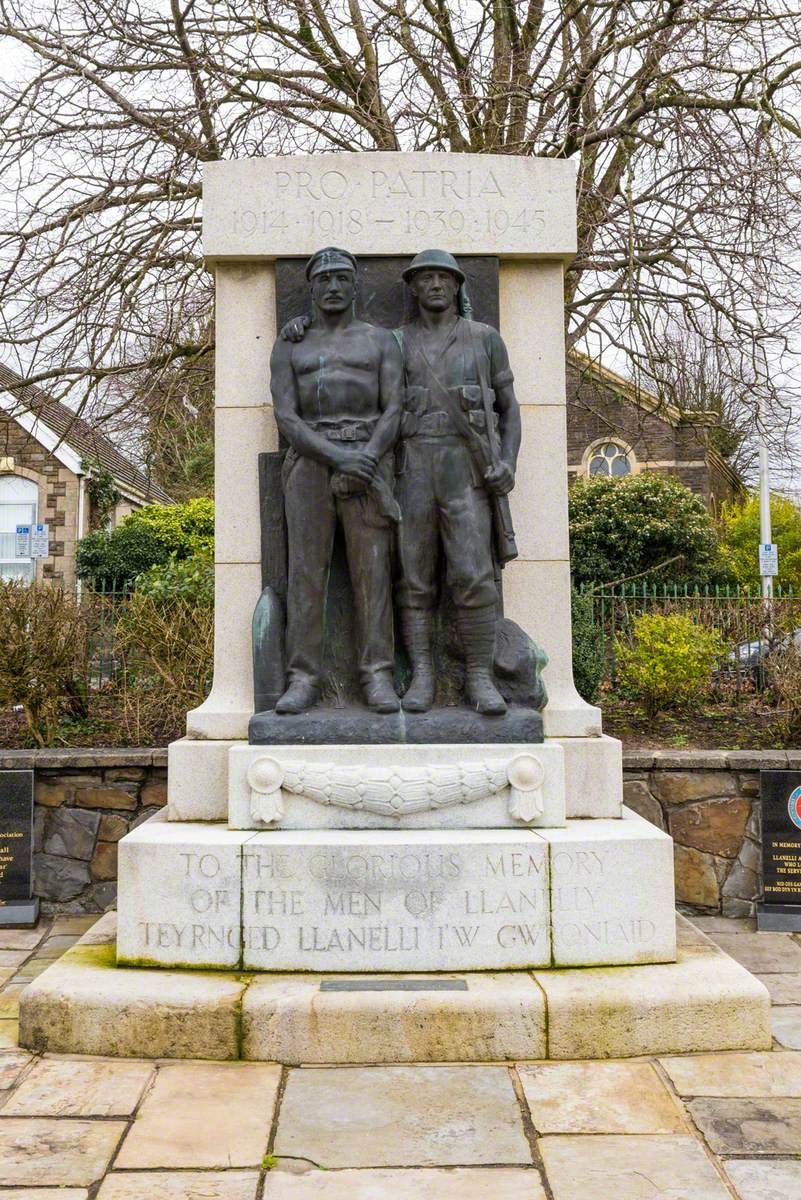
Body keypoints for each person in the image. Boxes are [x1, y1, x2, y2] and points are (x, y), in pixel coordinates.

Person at [269, 246, 403, 714]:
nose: (332, 287)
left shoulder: (382, 340)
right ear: (310, 287)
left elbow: (395, 408)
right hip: (309, 462)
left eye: (341, 278)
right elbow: (286, 416)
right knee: (306, 574)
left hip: (369, 459)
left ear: (355, 285)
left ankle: (378, 675)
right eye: (323, 279)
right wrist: (337, 457)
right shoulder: (291, 344)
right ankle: (303, 677)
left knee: (374, 573)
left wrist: (365, 456)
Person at [395, 249, 521, 716]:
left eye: (443, 278)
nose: (434, 286)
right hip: (413, 466)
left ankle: (479, 676)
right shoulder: (395, 341)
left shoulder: (485, 339)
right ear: (412, 287)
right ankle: (423, 674)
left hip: (466, 470)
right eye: (425, 278)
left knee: (472, 575)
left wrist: (507, 462)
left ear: (457, 286)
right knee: (414, 577)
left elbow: (510, 409)